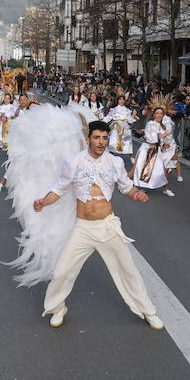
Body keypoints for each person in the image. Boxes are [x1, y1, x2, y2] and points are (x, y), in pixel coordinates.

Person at [32, 120, 163, 331]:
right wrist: (42, 202)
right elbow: (58, 189)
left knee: (128, 270)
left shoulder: (115, 163)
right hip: (83, 228)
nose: (101, 142)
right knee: (62, 272)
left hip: (107, 226)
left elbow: (126, 187)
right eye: (96, 138)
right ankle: (57, 308)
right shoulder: (73, 162)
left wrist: (136, 194)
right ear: (88, 139)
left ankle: (148, 311)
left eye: (104, 138)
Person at [132, 106, 177, 197]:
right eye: (157, 113)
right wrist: (160, 136)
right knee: (141, 169)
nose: (159, 115)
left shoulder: (163, 125)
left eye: (161, 113)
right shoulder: (151, 124)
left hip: (158, 150)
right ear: (154, 114)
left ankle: (165, 189)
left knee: (162, 170)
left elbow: (166, 137)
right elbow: (150, 137)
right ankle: (133, 187)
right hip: (148, 149)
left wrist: (165, 142)